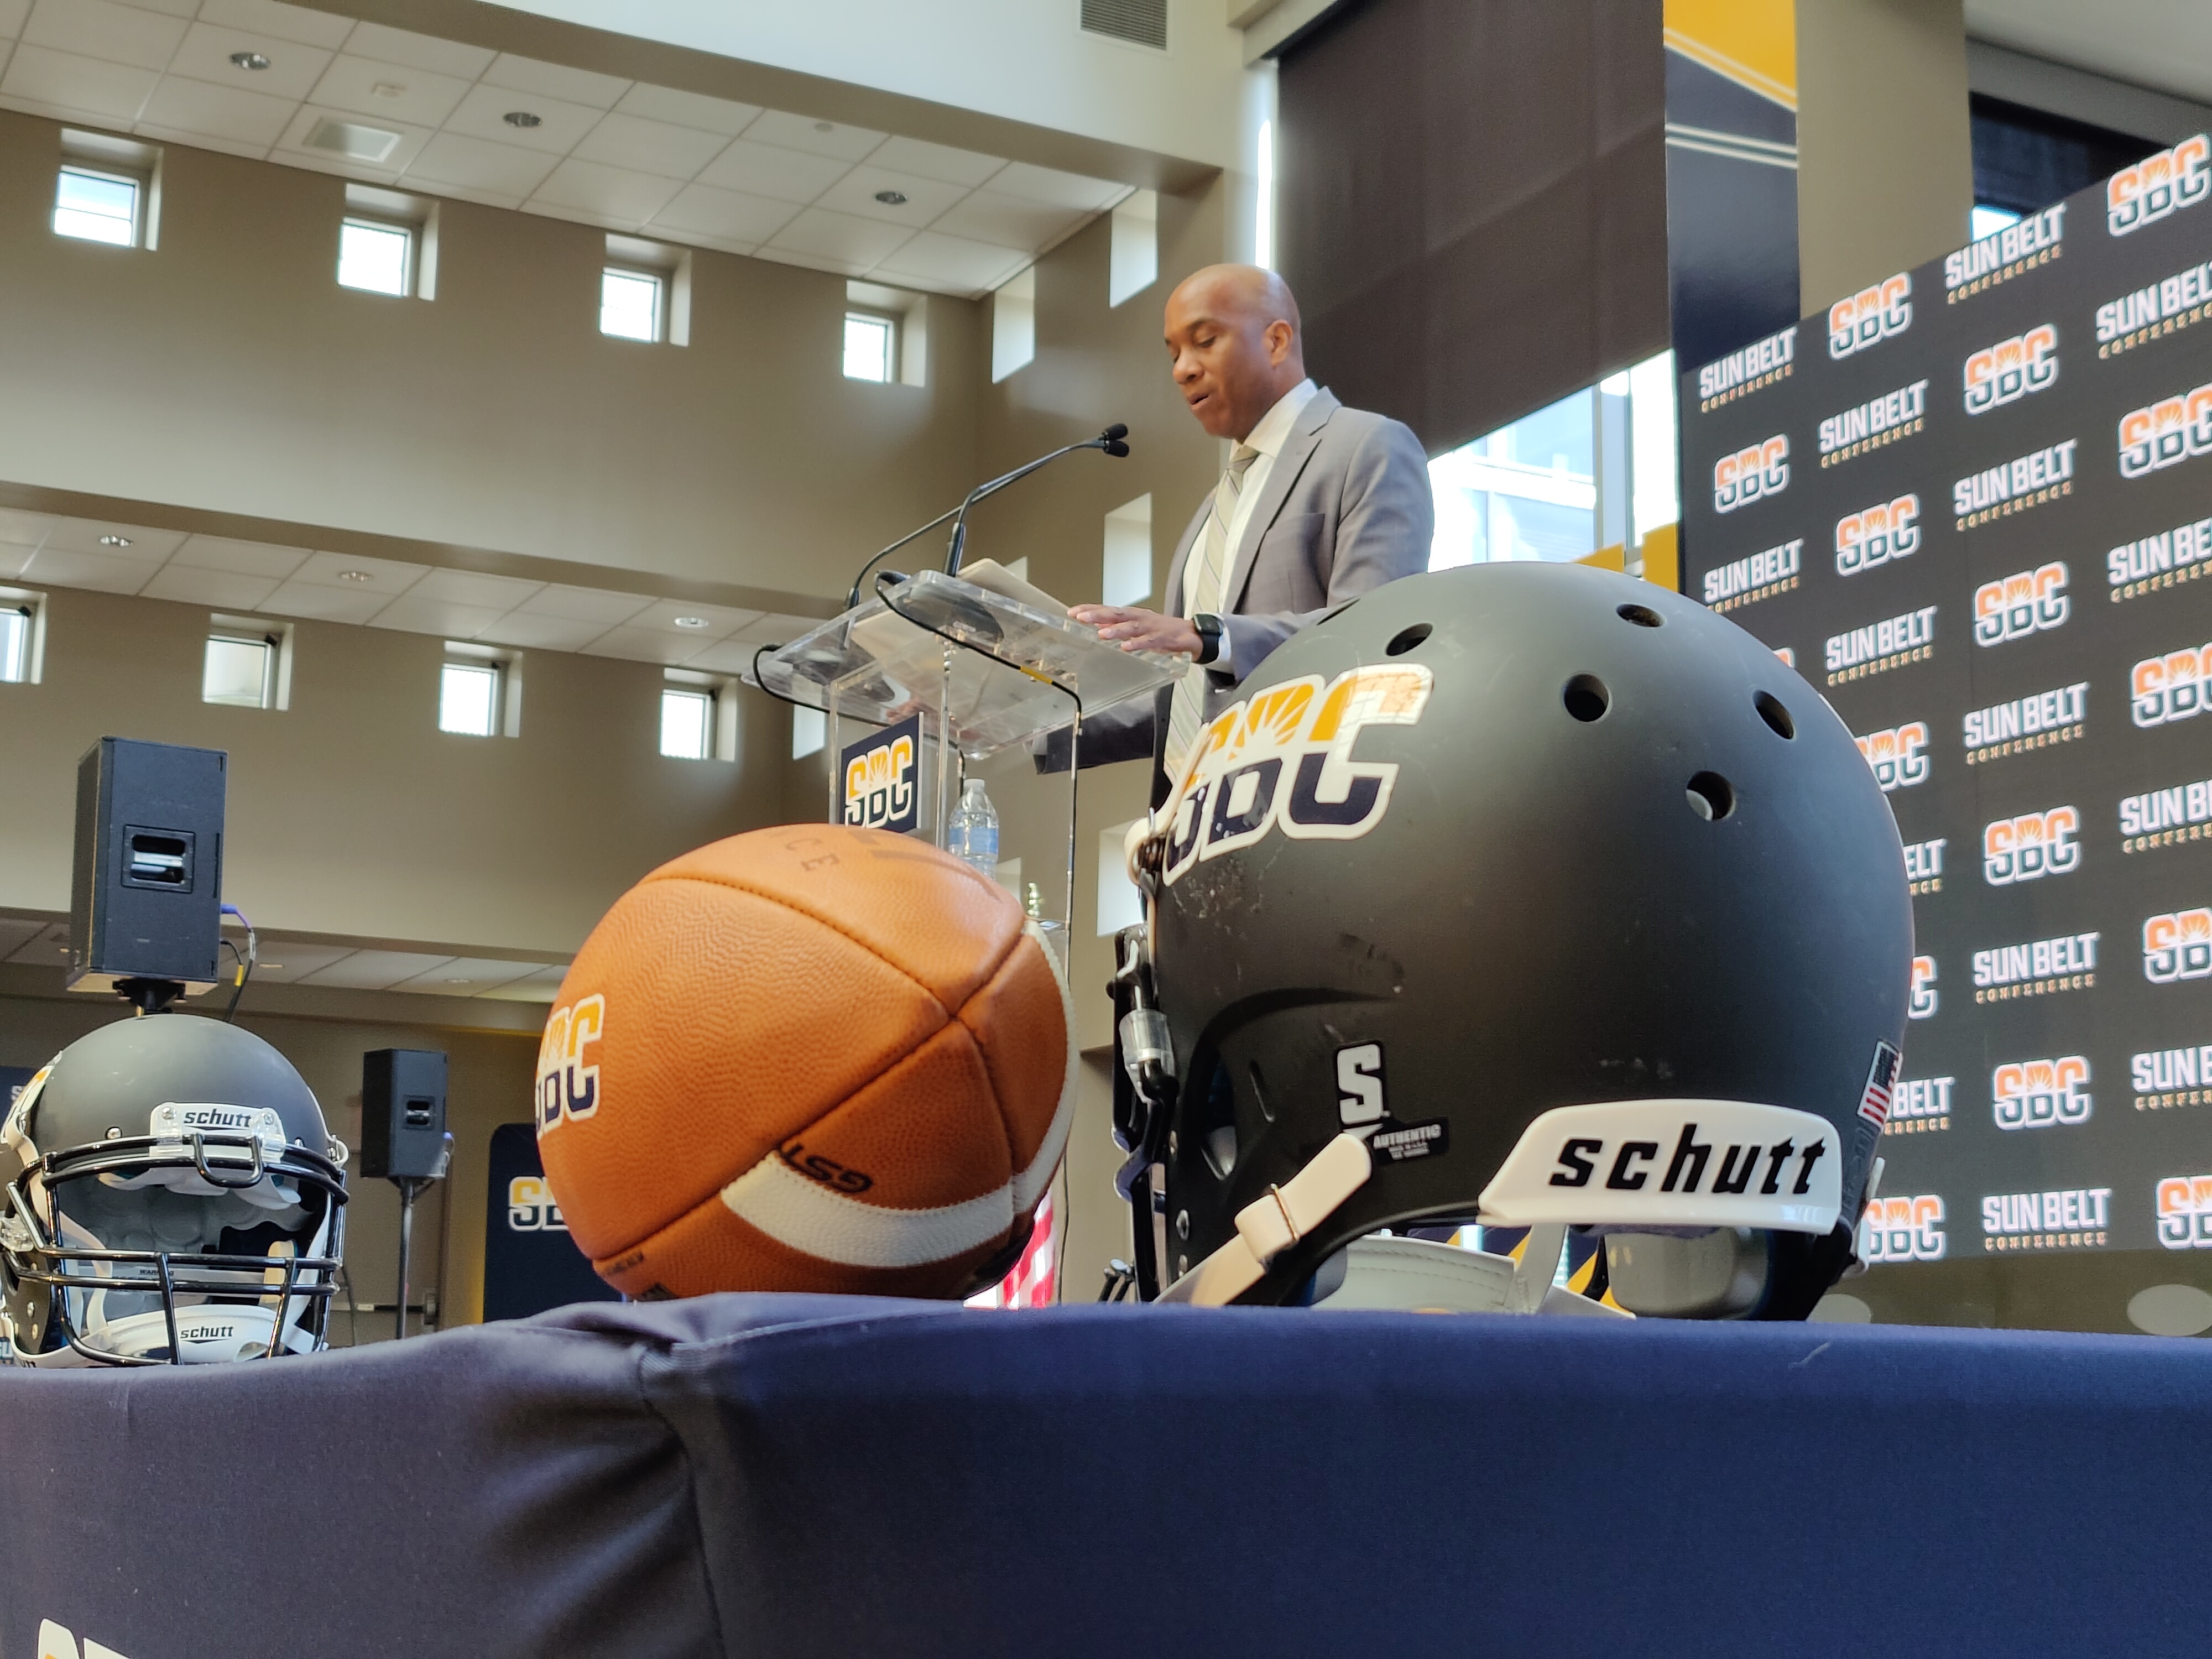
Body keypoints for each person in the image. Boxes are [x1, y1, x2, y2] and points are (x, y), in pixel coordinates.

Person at [1067, 264, 1433, 796]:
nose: (1182, 370)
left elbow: (1373, 637)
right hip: (1186, 833)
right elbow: (1189, 695)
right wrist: (1030, 715)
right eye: (1173, 354)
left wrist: (1209, 636)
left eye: (1205, 342)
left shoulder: (1367, 447)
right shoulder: (1213, 509)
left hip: (1299, 810)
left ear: (1277, 340)